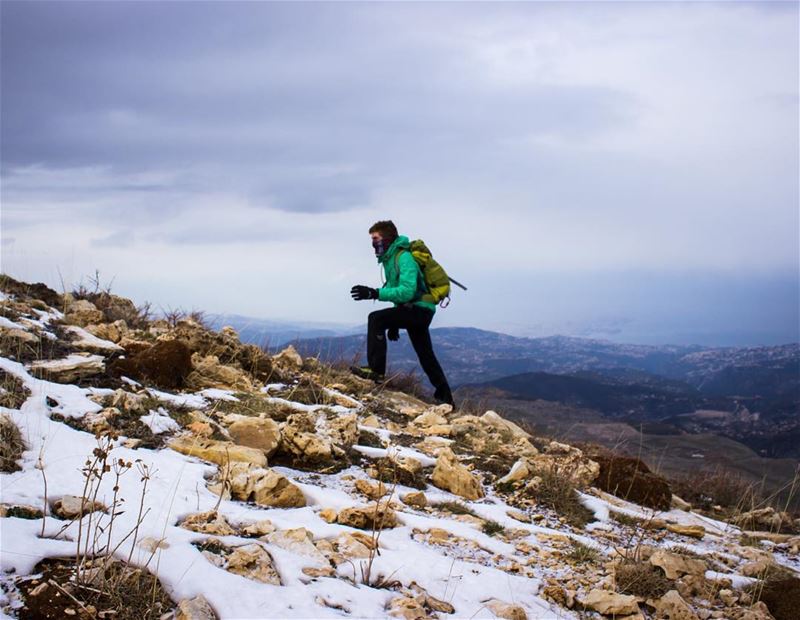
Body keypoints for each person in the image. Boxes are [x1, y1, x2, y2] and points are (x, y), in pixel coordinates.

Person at [350, 220, 455, 406]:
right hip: (415, 310)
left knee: (375, 319)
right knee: (426, 354)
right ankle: (446, 399)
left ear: (387, 238)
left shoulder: (404, 258)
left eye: (375, 239)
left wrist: (374, 293)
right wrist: (395, 322)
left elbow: (407, 290)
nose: (373, 244)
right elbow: (398, 290)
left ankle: (376, 370)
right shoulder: (389, 259)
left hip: (420, 310)